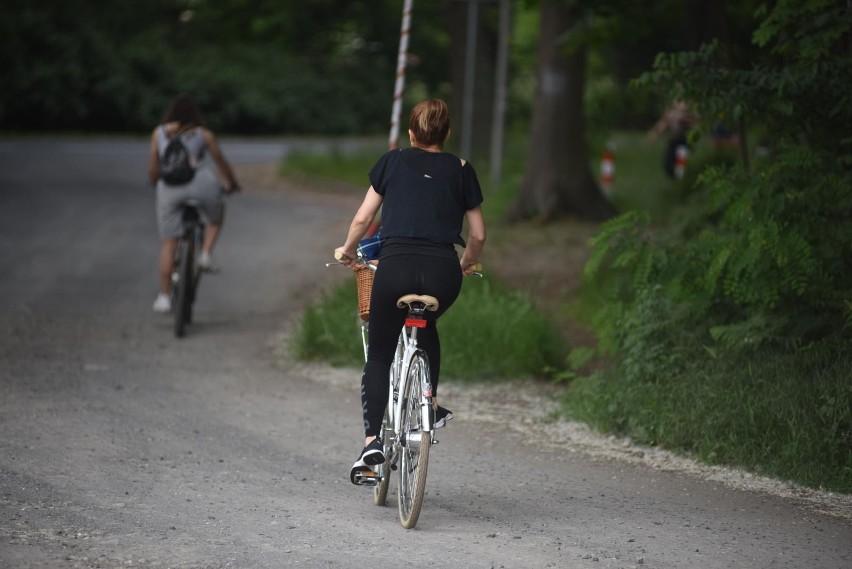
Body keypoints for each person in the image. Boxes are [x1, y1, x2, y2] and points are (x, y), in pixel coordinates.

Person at [335, 98, 486, 485]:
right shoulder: (462, 169)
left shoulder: (392, 161)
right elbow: (479, 234)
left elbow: (363, 218)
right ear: (447, 133)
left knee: (381, 352)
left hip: (394, 269)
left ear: (411, 133)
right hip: (442, 274)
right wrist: (466, 262)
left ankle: (371, 443)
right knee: (426, 321)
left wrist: (348, 252)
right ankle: (429, 405)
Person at [147, 94, 240, 313]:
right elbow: (220, 161)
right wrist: (232, 184)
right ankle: (206, 254)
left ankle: (165, 296)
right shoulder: (203, 134)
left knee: (169, 244)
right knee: (215, 217)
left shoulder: (159, 133)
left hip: (169, 187)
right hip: (201, 183)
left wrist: (156, 184)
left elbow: (153, 168)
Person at [647, 100, 698, 178]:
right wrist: (654, 134)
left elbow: (695, 122)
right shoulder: (671, 114)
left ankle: (680, 174)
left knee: (681, 156)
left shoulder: (690, 114)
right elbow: (663, 124)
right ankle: (674, 175)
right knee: (669, 161)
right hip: (674, 140)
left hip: (685, 140)